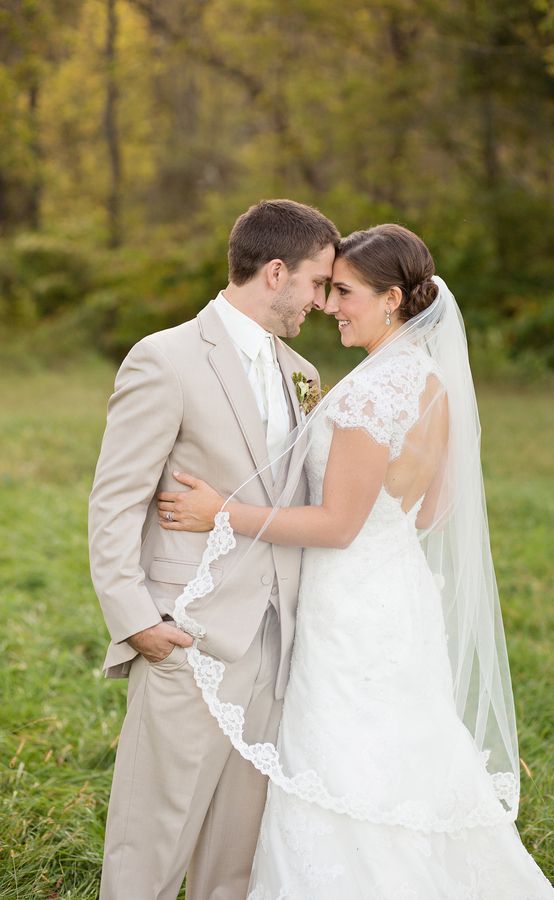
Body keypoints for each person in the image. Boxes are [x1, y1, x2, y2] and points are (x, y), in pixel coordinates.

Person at [157, 224, 554, 898]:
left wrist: (220, 512)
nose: (329, 305)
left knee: (344, 756)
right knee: (402, 752)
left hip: (348, 602)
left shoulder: (373, 391)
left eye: (343, 291)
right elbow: (430, 513)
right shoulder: (431, 382)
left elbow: (339, 525)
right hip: (400, 590)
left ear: (392, 298)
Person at [88, 198, 339, 900]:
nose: (321, 301)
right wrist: (139, 621)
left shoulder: (305, 374)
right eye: (318, 284)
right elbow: (115, 499)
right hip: (187, 635)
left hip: (275, 643)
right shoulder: (164, 358)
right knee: (151, 845)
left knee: (236, 857)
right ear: (277, 272)